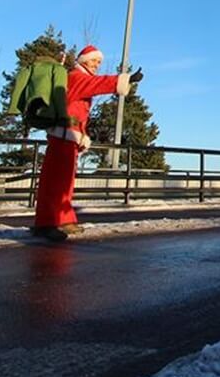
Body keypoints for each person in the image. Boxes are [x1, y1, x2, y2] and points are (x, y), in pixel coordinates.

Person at [32, 45, 143, 242]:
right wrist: (123, 79)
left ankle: (63, 219)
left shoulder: (77, 77)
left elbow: (79, 112)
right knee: (56, 181)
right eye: (94, 61)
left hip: (70, 136)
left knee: (64, 182)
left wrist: (83, 135)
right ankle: (46, 223)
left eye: (98, 62)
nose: (97, 65)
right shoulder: (76, 76)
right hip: (63, 136)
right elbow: (96, 84)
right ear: (83, 60)